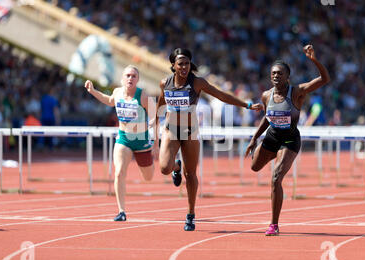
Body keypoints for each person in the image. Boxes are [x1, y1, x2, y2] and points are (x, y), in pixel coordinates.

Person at [154, 48, 262, 231]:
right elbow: (161, 100)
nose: (184, 67)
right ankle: (176, 166)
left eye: (187, 63)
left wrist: (247, 105)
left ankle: (190, 214)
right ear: (173, 65)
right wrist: (156, 118)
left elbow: (221, 95)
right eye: (180, 64)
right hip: (170, 131)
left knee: (191, 175)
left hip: (190, 132)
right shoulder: (165, 82)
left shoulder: (197, 83)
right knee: (164, 168)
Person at [245, 45, 330, 236]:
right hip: (272, 137)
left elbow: (325, 79)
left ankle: (273, 224)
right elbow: (267, 118)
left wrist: (314, 60)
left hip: (290, 140)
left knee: (276, 178)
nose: (276, 76)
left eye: (280, 73)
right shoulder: (266, 95)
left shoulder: (297, 92)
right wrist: (254, 138)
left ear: (287, 77)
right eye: (273, 73)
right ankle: (271, 152)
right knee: (254, 167)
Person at [85, 65, 156, 221]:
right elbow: (110, 101)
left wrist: (153, 133)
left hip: (141, 140)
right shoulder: (117, 92)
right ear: (122, 78)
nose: (130, 78)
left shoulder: (143, 95)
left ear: (138, 80)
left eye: (133, 76)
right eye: (128, 75)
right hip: (123, 138)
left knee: (148, 177)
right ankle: (121, 211)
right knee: (119, 172)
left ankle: (173, 167)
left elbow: (154, 115)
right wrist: (93, 91)